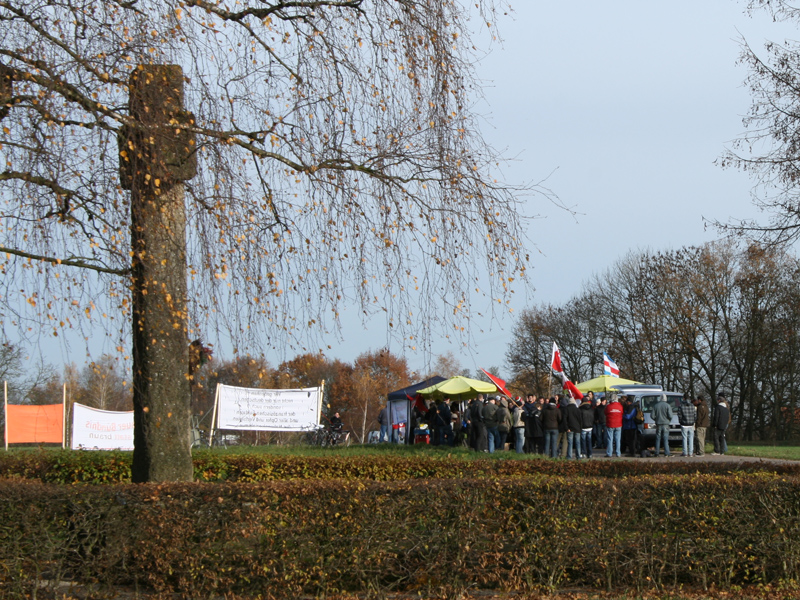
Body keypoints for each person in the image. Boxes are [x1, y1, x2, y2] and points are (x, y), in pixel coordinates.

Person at [678, 392, 697, 457]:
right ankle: (691, 452)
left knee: (684, 438)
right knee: (691, 438)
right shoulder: (692, 406)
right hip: (691, 424)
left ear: (684, 398)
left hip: (684, 424)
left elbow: (679, 415)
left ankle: (685, 452)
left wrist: (680, 421)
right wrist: (693, 421)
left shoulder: (681, 405)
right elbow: (695, 415)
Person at [604, 393, 623, 457]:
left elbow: (605, 413)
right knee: (618, 439)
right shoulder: (620, 406)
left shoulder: (608, 406)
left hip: (610, 424)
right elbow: (622, 413)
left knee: (610, 439)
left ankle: (609, 453)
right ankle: (618, 453)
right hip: (618, 424)